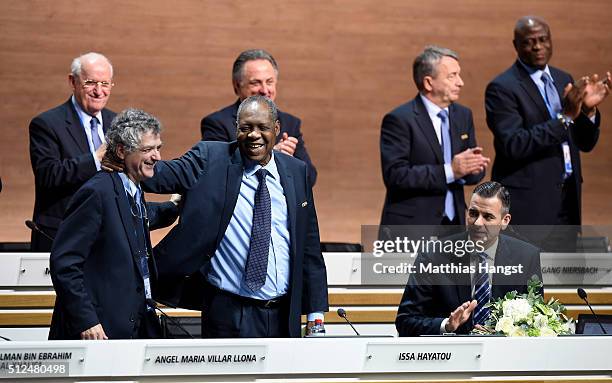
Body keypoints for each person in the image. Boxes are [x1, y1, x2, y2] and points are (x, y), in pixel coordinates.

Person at [144, 95, 328, 338]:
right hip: (227, 313)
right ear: (236, 129)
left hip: (284, 314)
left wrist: (315, 315)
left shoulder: (296, 170)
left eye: (262, 127)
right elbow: (160, 175)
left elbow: (309, 247)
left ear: (276, 129)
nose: (254, 135)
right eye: (246, 128)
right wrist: (122, 158)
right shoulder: (211, 158)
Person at [49, 108, 166, 340]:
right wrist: (87, 320)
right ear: (122, 151)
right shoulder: (96, 192)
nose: (157, 156)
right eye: (147, 149)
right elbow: (64, 263)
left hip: (134, 325)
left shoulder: (132, 189)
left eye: (158, 148)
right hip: (99, 332)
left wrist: (175, 208)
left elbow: (134, 219)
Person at [485, 16, 611, 227]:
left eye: (543, 39)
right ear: (516, 46)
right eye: (528, 41)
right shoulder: (502, 88)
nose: (537, 47)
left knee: (565, 261)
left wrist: (587, 111)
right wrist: (567, 116)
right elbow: (514, 145)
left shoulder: (564, 79)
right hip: (528, 204)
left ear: (551, 41)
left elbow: (585, 143)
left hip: (568, 199)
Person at [395, 181, 542, 336]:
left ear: (505, 221)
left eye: (488, 217)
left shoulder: (526, 257)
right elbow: (405, 321)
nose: (478, 223)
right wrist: (447, 325)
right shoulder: (433, 255)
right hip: (450, 354)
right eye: (473, 213)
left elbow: (535, 320)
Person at [380, 46, 490, 230]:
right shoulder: (400, 120)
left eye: (459, 75)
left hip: (454, 226)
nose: (460, 82)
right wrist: (451, 171)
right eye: (452, 76)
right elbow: (396, 176)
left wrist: (473, 168)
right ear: (429, 83)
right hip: (412, 227)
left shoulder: (463, 115)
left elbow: (470, 172)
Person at [28, 52, 116, 251]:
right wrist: (96, 159)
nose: (99, 91)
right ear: (73, 81)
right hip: (61, 235)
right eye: (91, 83)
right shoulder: (47, 124)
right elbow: (48, 174)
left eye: (105, 84)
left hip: (107, 235)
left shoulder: (119, 124)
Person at [200, 49, 318, 185]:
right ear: (237, 86)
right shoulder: (217, 123)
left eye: (269, 82)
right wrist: (271, 156)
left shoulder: (290, 123)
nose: (264, 90)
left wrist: (290, 162)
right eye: (255, 83)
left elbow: (310, 178)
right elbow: (215, 173)